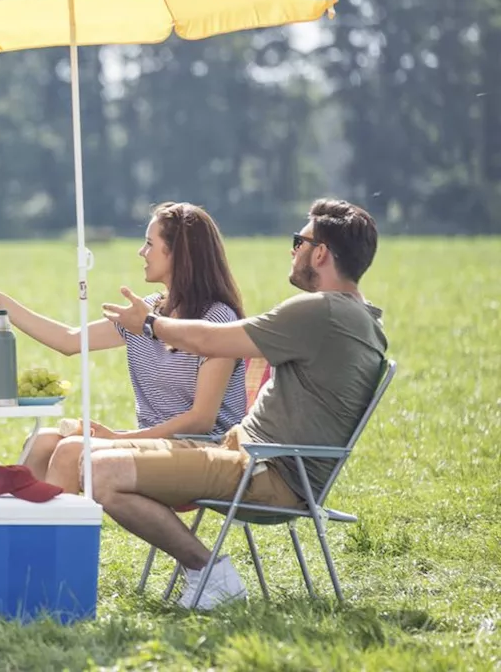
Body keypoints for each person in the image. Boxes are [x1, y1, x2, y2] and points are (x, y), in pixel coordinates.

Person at [97, 199, 387, 610]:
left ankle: (209, 572)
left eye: (298, 241)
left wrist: (147, 323)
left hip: (264, 473)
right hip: (250, 457)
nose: (293, 250)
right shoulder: (359, 318)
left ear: (320, 252)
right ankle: (207, 573)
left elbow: (210, 341)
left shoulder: (320, 312)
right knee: (90, 457)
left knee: (100, 470)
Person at [0, 202, 247, 485]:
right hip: (151, 443)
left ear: (179, 254)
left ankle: (61, 534)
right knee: (43, 441)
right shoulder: (145, 313)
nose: (141, 252)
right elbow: (69, 340)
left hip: (206, 451)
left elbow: (201, 421)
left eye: (149, 243)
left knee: (71, 451)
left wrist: (118, 440)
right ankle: (16, 528)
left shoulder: (217, 319)